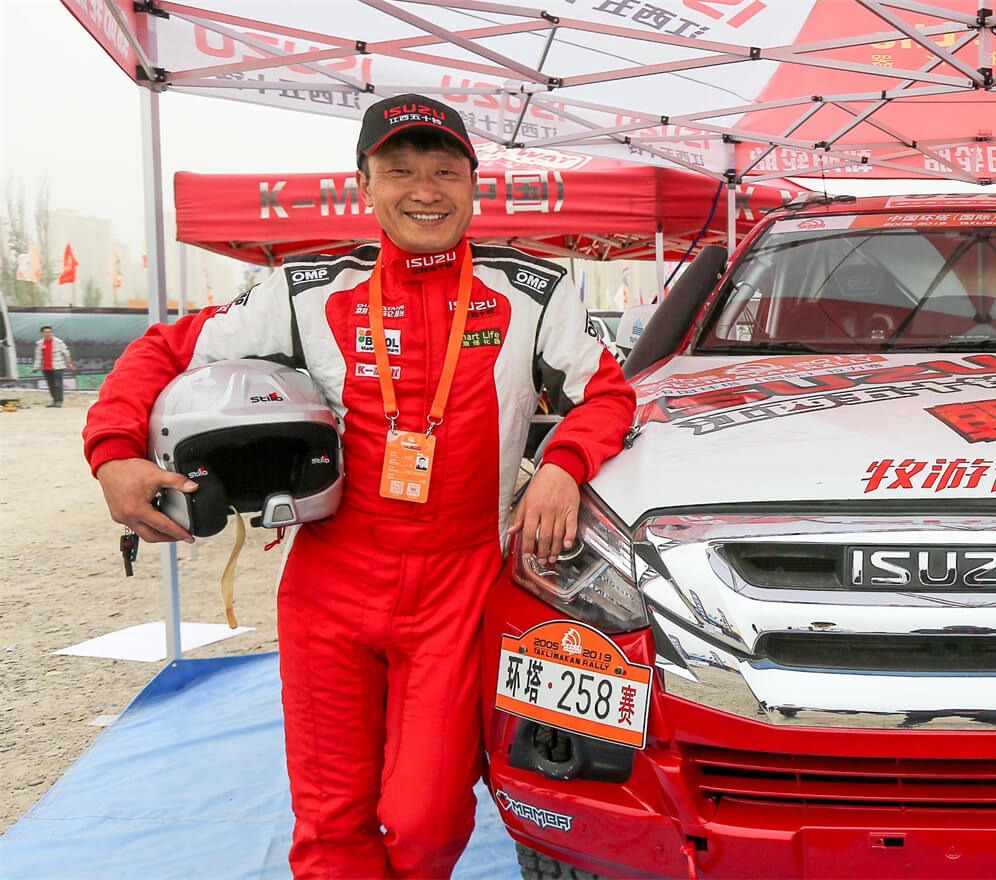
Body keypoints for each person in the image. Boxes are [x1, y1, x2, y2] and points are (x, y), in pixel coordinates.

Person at [82, 95, 636, 878]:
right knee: (331, 817)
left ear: (474, 185)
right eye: (400, 170)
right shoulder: (305, 287)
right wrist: (113, 455)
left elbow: (608, 394)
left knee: (425, 820)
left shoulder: (534, 290)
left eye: (445, 171)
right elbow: (165, 350)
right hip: (331, 583)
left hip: (461, 585)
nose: (425, 190)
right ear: (364, 184)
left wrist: (561, 465)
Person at [38, 326, 72, 407]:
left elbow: (66, 352)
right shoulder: (40, 343)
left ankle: (59, 401)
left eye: (50, 332)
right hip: (46, 367)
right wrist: (37, 367)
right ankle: (54, 400)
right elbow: (38, 356)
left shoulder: (58, 342)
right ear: (42, 333)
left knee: (57, 384)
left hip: (57, 367)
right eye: (46, 332)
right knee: (51, 385)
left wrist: (69, 362)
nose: (48, 333)